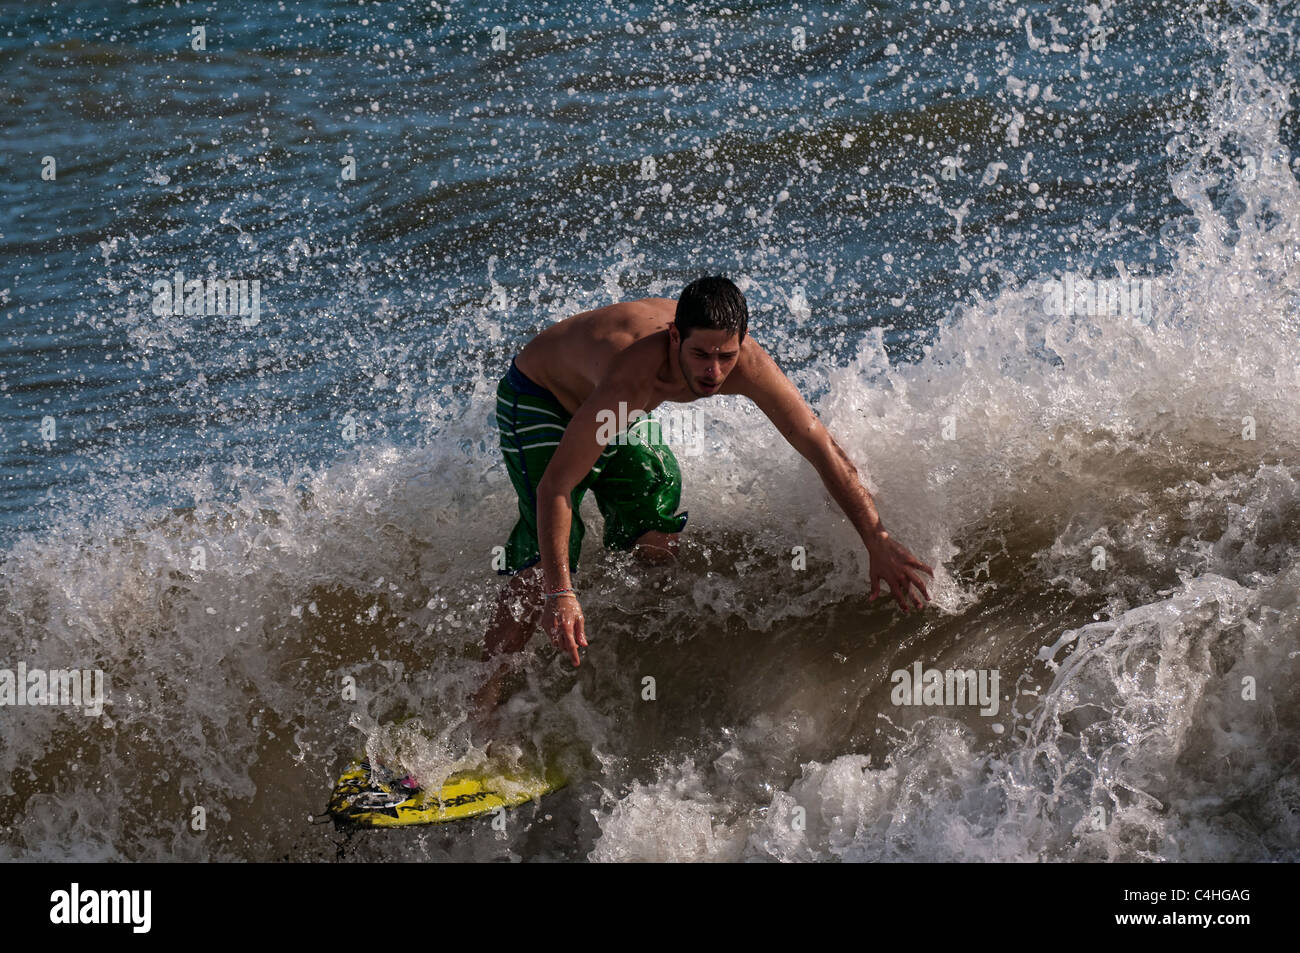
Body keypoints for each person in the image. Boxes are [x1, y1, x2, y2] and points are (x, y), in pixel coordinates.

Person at [473, 276, 933, 718]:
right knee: (550, 559)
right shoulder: (633, 378)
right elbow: (557, 486)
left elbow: (819, 445)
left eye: (725, 356)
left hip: (605, 408)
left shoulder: (745, 362)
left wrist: (876, 537)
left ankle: (627, 663)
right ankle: (478, 713)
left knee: (656, 507)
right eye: (699, 355)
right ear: (674, 338)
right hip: (542, 398)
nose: (713, 372)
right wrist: (562, 591)